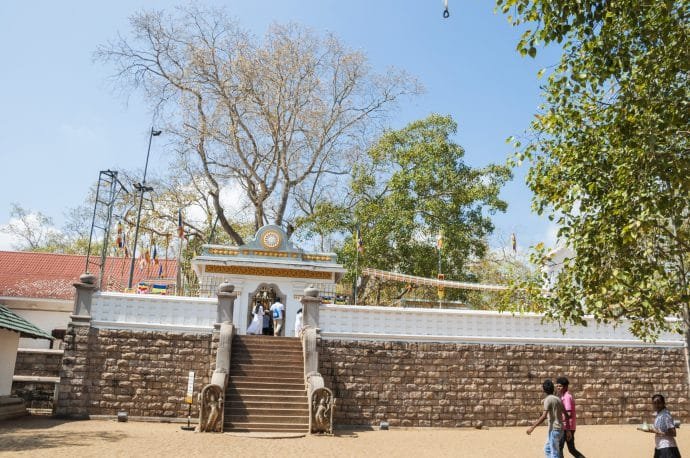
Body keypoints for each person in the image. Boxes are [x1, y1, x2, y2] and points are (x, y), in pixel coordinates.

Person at [527, 379, 567, 458]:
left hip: (554, 430)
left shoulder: (547, 400)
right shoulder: (558, 399)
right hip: (560, 429)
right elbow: (566, 413)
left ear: (544, 390)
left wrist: (532, 427)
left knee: (554, 453)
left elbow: (544, 416)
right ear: (553, 388)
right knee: (548, 449)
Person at [641, 394, 681, 458]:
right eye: (654, 403)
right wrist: (649, 430)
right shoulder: (659, 415)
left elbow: (673, 433)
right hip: (659, 447)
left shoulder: (666, 415)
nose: (656, 405)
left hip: (667, 447)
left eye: (659, 403)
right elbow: (658, 430)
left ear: (663, 403)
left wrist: (658, 432)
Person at [556, 376, 586, 458]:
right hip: (566, 426)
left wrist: (568, 430)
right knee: (571, 449)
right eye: (557, 386)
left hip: (567, 427)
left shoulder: (567, 397)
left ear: (565, 387)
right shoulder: (562, 396)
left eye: (560, 386)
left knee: (560, 448)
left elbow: (568, 414)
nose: (558, 387)